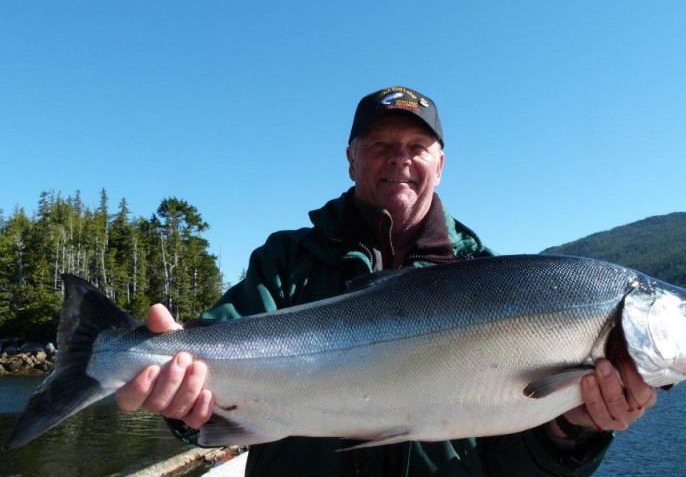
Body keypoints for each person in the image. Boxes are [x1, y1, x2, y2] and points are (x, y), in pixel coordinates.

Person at [116, 86, 656, 476]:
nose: (399, 159)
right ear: (351, 160)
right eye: (379, 145)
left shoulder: (493, 280)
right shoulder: (285, 260)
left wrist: (573, 430)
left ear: (440, 165)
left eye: (417, 147)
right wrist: (184, 407)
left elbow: (513, 462)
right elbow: (207, 374)